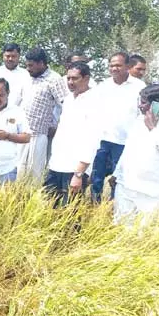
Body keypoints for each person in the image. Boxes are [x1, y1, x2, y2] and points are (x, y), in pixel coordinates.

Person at [110, 84, 159, 226]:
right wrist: (117, 173)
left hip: (151, 191)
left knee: (143, 234)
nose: (140, 106)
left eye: (144, 102)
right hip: (126, 186)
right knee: (119, 227)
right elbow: (129, 149)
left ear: (156, 103)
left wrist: (153, 128)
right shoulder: (140, 119)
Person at [89, 52, 146, 202]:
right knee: (96, 177)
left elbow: (143, 113)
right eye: (112, 65)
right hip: (102, 139)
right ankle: (93, 207)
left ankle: (114, 208)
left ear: (127, 66)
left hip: (125, 142)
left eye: (118, 65)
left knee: (119, 178)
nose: (114, 68)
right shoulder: (104, 85)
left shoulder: (139, 87)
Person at [44, 62, 98, 207]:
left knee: (71, 214)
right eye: (68, 78)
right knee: (48, 206)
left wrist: (79, 174)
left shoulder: (95, 101)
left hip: (75, 168)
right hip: (57, 164)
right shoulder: (68, 99)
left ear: (86, 78)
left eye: (75, 78)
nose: (70, 82)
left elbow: (92, 140)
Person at [18, 47, 68, 182]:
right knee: (17, 173)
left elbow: (66, 105)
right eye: (27, 65)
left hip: (38, 135)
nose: (28, 68)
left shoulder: (54, 79)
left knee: (35, 176)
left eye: (31, 65)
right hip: (20, 134)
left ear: (41, 63)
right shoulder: (27, 78)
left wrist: (56, 125)